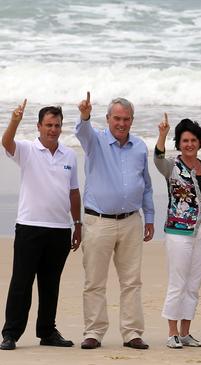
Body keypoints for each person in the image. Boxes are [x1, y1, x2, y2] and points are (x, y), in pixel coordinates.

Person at [76, 92, 155, 350]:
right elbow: (82, 132)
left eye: (127, 119)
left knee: (132, 281)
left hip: (131, 221)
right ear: (108, 119)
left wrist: (150, 217)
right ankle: (94, 332)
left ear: (132, 121)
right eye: (117, 118)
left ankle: (132, 332)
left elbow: (146, 186)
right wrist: (85, 115)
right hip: (98, 221)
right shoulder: (95, 140)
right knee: (95, 281)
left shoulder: (140, 146)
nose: (121, 123)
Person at [1, 101, 81, 351]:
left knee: (50, 284)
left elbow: (74, 192)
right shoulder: (27, 149)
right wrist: (14, 120)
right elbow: (6, 143)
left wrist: (77, 224)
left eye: (57, 125)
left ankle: (47, 332)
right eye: (48, 125)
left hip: (60, 229)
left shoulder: (69, 155)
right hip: (30, 226)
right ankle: (10, 334)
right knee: (22, 283)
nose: (53, 129)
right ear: (38, 126)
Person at [154, 114, 201, 349]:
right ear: (178, 143)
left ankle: (186, 332)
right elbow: (157, 158)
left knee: (193, 284)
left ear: (200, 142)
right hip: (179, 231)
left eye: (193, 140)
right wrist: (162, 134)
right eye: (185, 140)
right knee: (177, 283)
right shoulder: (171, 166)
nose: (189, 144)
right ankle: (172, 333)